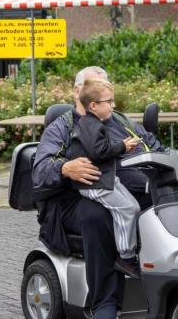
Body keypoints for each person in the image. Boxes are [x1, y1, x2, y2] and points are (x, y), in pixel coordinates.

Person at [32, 66, 163, 318]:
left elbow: (154, 146)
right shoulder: (63, 127)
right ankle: (104, 302)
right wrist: (65, 168)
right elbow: (40, 171)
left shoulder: (123, 122)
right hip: (74, 199)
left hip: (122, 191)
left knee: (164, 202)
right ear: (79, 92)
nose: (106, 98)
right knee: (97, 215)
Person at [71, 78, 142, 278]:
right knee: (127, 209)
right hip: (94, 182)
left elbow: (102, 150)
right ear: (93, 106)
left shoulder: (95, 123)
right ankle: (126, 258)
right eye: (109, 102)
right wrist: (123, 146)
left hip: (105, 177)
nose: (113, 106)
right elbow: (98, 152)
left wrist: (122, 145)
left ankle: (131, 251)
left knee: (134, 207)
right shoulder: (89, 125)